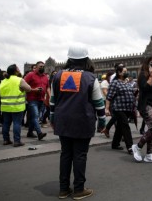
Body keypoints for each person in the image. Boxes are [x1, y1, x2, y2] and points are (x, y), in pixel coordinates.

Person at [50, 46, 106, 200]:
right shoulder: (90, 77)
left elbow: (52, 101)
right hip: (83, 120)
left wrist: (52, 118)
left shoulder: (57, 76)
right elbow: (99, 103)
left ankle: (63, 189)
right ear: (86, 59)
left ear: (69, 59)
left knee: (65, 154)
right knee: (80, 155)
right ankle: (79, 189)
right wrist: (102, 121)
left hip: (63, 120)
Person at [131, 56, 152, 163]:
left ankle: (149, 154)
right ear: (146, 63)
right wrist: (151, 76)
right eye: (151, 63)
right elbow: (144, 89)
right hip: (146, 104)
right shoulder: (142, 75)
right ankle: (138, 146)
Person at [0, 64, 35, 147]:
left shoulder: (3, 81)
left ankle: (6, 140)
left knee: (6, 124)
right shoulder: (19, 80)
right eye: (18, 68)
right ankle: (17, 141)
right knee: (16, 123)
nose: (19, 69)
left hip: (5, 106)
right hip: (16, 106)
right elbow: (29, 89)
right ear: (15, 71)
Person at [105, 64, 135, 154]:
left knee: (120, 127)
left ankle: (115, 144)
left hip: (127, 108)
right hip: (118, 108)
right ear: (119, 72)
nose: (127, 73)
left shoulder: (127, 82)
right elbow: (109, 96)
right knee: (125, 125)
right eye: (125, 71)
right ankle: (130, 147)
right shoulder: (115, 83)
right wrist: (106, 108)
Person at [24, 61, 48, 141]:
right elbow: (23, 85)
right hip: (32, 99)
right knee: (36, 116)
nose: (42, 67)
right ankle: (39, 133)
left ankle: (30, 132)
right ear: (36, 67)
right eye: (40, 66)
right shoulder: (30, 75)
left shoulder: (45, 77)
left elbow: (47, 87)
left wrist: (49, 96)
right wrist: (34, 90)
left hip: (41, 100)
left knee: (32, 117)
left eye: (43, 66)